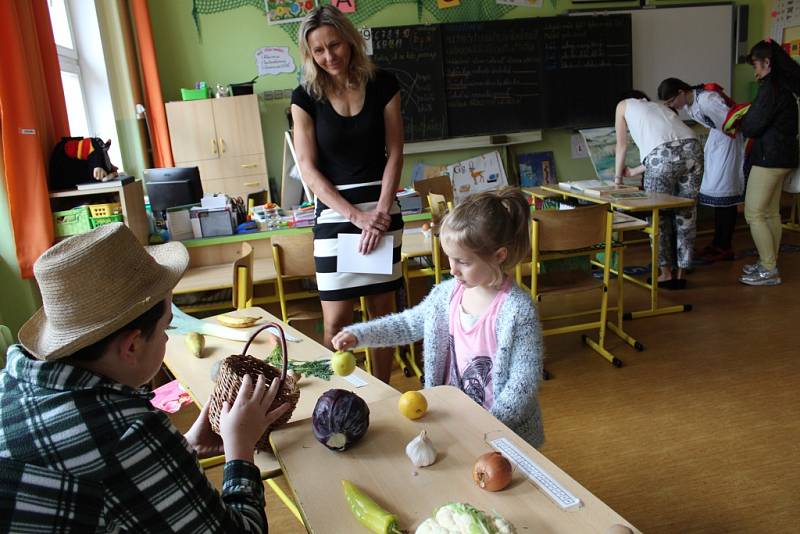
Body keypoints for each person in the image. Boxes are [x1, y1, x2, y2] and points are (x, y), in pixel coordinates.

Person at [0, 223, 290, 532]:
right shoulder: (128, 431)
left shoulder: (12, 382)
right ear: (132, 345)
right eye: (166, 328)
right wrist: (240, 449)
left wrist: (183, 446)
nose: (167, 339)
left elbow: (110, 482)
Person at [332, 189, 545, 448]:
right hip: (452, 420)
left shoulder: (517, 310)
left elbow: (523, 382)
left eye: (462, 262)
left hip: (501, 432)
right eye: (449, 258)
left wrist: (491, 427)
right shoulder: (447, 295)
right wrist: (360, 335)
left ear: (498, 256)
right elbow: (408, 324)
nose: (452, 269)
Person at [291, 5, 404, 383]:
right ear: (310, 55)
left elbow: (396, 152)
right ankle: (340, 394)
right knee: (337, 322)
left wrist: (381, 214)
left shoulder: (383, 84)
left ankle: (383, 392)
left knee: (380, 318)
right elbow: (308, 168)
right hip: (337, 215)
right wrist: (358, 217)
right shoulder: (305, 97)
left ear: (350, 41)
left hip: (382, 209)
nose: (329, 57)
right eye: (318, 51)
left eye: (335, 45)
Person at [614, 90, 704, 289]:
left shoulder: (622, 105)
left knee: (658, 216)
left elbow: (622, 146)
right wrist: (636, 170)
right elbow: (669, 151)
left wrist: (617, 179)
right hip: (694, 148)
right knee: (686, 213)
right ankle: (681, 273)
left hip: (663, 156)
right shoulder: (657, 107)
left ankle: (665, 273)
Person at [658, 78, 745, 262]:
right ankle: (717, 243)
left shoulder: (707, 100)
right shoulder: (691, 105)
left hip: (728, 142)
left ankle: (725, 245)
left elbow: (732, 122)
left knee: (725, 194)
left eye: (672, 101)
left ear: (682, 92)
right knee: (717, 194)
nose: (673, 106)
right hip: (718, 142)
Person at [736, 39, 800, 286]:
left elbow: (753, 125)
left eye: (757, 64)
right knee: (771, 212)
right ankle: (769, 262)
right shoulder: (788, 84)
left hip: (769, 157)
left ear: (768, 62)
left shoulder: (770, 87)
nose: (755, 70)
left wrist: (741, 119)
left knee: (754, 213)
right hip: (784, 155)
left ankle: (768, 268)